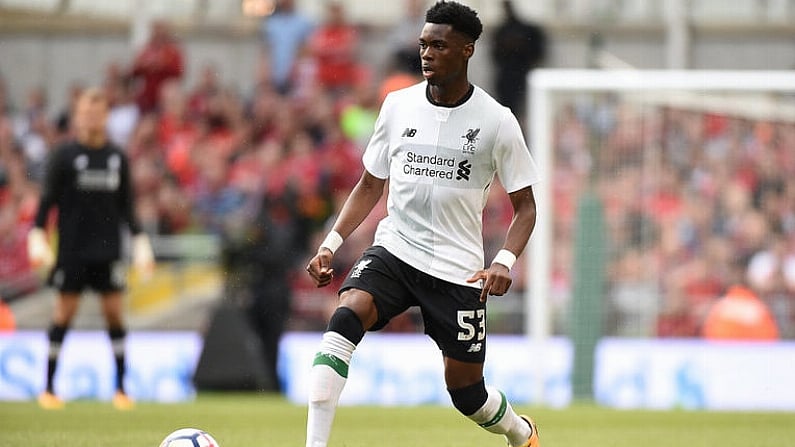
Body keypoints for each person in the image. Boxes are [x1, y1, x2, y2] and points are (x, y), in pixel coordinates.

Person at [304, 2, 541, 447]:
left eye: (439, 45)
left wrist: (505, 260)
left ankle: (520, 432)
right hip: (396, 249)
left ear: (467, 50)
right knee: (347, 314)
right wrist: (330, 243)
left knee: (467, 394)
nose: (427, 54)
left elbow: (525, 206)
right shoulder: (397, 106)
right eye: (423, 45)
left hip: (459, 271)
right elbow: (370, 185)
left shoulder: (496, 121)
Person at [27, 87, 154, 410]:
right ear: (78, 116)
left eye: (96, 112)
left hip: (108, 251)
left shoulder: (116, 157)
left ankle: (122, 389)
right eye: (85, 112)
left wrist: (140, 244)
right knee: (63, 314)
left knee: (114, 314)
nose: (90, 118)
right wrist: (38, 235)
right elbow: (46, 202)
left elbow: (127, 207)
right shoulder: (64, 156)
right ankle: (49, 388)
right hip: (72, 251)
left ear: (105, 116)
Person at [490, 0, 546, 121]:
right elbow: (495, 54)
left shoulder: (527, 31)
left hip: (522, 75)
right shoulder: (502, 31)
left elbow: (537, 52)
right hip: (507, 77)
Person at [130, 20, 184, 114]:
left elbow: (179, 72)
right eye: (156, 29)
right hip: (147, 96)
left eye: (161, 29)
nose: (158, 32)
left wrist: (162, 66)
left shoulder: (172, 50)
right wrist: (144, 66)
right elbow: (134, 70)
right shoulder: (146, 48)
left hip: (165, 96)